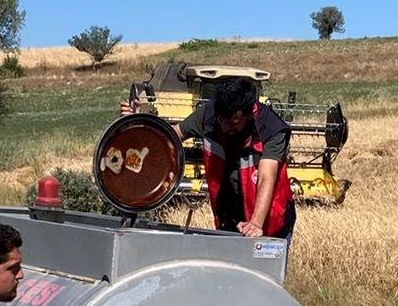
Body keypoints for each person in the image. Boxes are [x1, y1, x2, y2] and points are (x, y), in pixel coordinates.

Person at [123, 76, 295, 238]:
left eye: (233, 123)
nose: (225, 127)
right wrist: (138, 123)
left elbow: (266, 177)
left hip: (271, 222)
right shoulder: (208, 114)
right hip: (230, 218)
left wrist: (255, 224)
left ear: (249, 114)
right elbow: (170, 136)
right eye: (221, 120)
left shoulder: (271, 128)